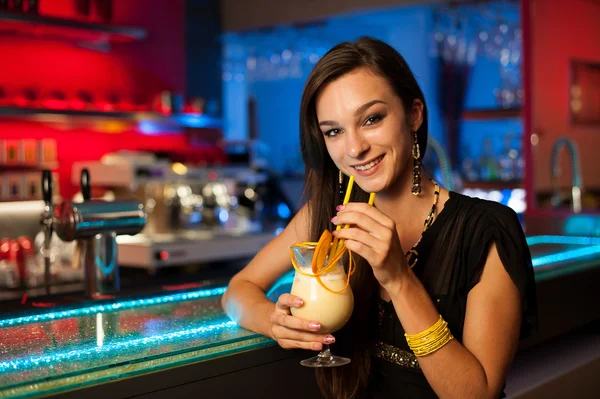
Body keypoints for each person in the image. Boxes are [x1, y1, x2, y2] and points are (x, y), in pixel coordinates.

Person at [221, 36, 537, 399]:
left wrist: (399, 278)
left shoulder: (487, 230)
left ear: (414, 114)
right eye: (334, 131)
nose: (354, 148)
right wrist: (274, 323)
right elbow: (236, 292)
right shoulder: (329, 216)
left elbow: (476, 394)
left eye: (371, 119)